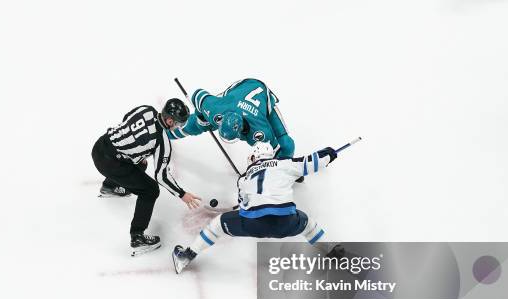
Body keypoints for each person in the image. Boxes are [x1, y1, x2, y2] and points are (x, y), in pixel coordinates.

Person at [171, 142, 341, 274]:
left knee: (218, 224)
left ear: (254, 157)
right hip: (285, 223)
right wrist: (329, 154)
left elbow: (243, 203)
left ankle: (187, 256)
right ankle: (334, 254)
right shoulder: (285, 163)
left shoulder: (243, 179)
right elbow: (313, 162)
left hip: (253, 224)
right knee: (308, 224)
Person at [92, 98, 201, 256]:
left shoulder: (146, 109)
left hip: (101, 145)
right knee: (150, 190)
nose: (178, 126)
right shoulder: (162, 141)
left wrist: (136, 148)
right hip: (111, 164)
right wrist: (182, 194)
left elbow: (127, 118)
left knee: (141, 164)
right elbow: (161, 176)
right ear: (169, 121)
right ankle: (137, 238)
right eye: (178, 123)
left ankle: (109, 187)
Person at [166, 78, 296, 159]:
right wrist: (201, 116)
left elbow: (272, 151)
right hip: (237, 92)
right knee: (199, 123)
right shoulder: (215, 110)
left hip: (262, 96)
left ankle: (288, 170)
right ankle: (167, 134)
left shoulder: (260, 132)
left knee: (286, 145)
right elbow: (197, 95)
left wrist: (280, 164)